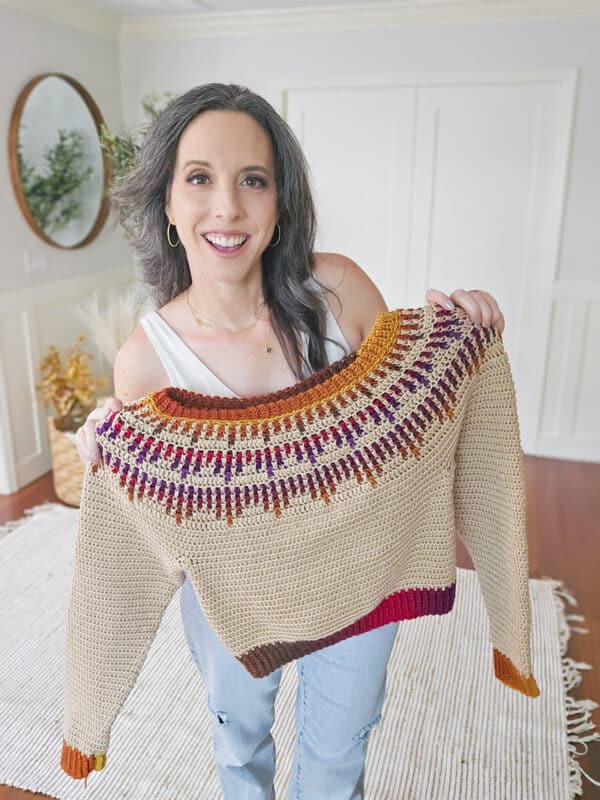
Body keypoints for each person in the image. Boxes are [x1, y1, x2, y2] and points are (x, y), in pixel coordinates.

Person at [75, 83, 506, 800]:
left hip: (361, 577)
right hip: (229, 605)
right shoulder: (145, 360)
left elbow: (415, 420)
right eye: (200, 179)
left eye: (254, 180)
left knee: (338, 758)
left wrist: (459, 336)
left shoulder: (337, 290)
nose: (228, 207)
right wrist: (112, 459)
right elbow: (148, 525)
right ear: (169, 207)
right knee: (238, 745)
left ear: (281, 204)